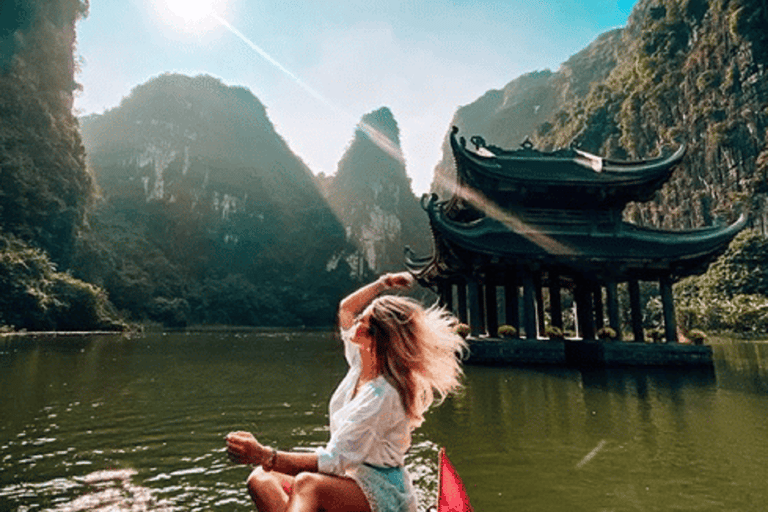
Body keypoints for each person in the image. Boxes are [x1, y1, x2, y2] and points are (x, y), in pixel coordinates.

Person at [226, 271, 467, 512]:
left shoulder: (383, 395)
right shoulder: (361, 364)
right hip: (350, 478)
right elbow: (345, 309)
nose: (357, 321)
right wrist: (383, 284)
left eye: (364, 320)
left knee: (308, 484)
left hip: (384, 490)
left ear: (375, 339)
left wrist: (264, 454)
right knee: (262, 478)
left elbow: (333, 461)